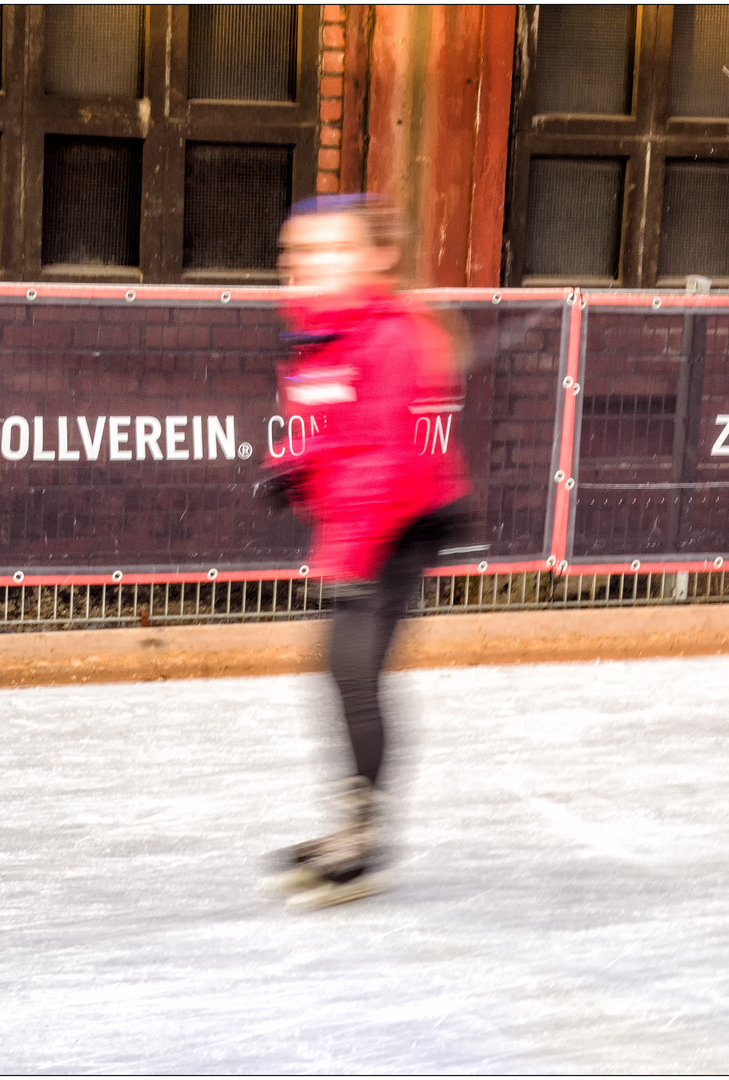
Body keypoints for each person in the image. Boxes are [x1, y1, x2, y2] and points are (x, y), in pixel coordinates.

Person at [262, 194, 471, 909]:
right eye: (299, 255)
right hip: (359, 519)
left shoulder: (395, 337)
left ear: (375, 258)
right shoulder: (314, 334)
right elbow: (323, 424)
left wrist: (349, 556)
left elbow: (388, 457)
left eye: (332, 253)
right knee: (341, 667)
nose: (309, 268)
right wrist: (291, 462)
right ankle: (354, 824)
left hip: (406, 518)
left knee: (352, 664)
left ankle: (363, 838)